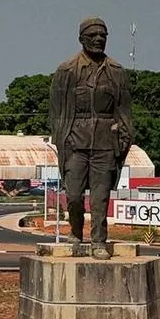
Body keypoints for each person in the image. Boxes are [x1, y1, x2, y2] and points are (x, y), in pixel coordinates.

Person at [49, 16, 133, 260]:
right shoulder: (67, 70)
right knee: (73, 196)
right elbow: (56, 112)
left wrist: (124, 139)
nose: (98, 40)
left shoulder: (116, 72)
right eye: (93, 36)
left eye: (102, 36)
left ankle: (98, 241)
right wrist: (62, 141)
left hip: (105, 143)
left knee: (100, 198)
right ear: (81, 39)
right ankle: (75, 232)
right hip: (75, 141)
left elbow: (125, 111)